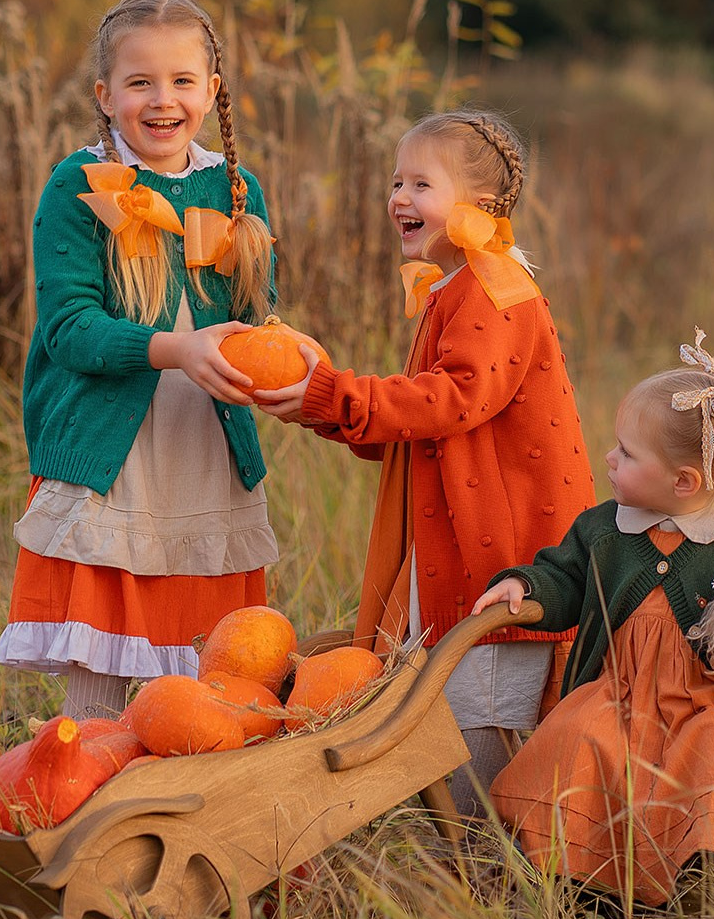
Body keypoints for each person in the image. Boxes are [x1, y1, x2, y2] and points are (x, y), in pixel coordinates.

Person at [255, 109, 595, 816]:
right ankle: (452, 841)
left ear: (481, 207)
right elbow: (425, 432)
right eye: (396, 181)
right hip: (452, 538)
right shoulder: (456, 288)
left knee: (481, 704)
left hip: (497, 556)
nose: (400, 197)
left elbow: (453, 399)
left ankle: (491, 851)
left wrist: (336, 392)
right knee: (439, 693)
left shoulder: (497, 289)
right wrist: (328, 403)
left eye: (421, 184)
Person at [0, 0, 282, 720]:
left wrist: (288, 365)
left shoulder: (237, 190)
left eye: (183, 81)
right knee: (103, 667)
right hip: (113, 464)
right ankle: (82, 805)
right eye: (140, 82)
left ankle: (185, 812)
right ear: (105, 93)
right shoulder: (82, 186)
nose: (163, 101)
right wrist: (174, 347)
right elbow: (70, 328)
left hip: (202, 457)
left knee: (200, 681)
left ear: (212, 90)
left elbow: (254, 320)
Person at [472, 335, 714, 908]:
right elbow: (566, 579)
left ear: (683, 482)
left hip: (711, 694)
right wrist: (525, 585)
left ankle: (706, 872)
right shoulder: (605, 527)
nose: (609, 459)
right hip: (614, 689)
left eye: (626, 453)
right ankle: (571, 875)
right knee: (577, 740)